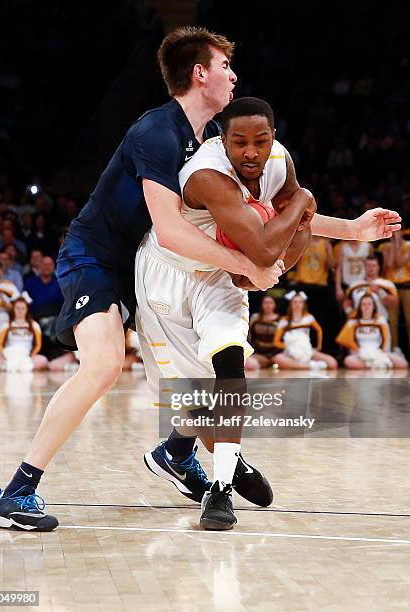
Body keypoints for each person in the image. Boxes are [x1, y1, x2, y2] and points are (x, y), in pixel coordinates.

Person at [0, 27, 284, 532]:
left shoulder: (212, 141)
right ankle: (15, 491)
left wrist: (350, 229)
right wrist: (246, 266)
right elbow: (169, 230)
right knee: (103, 365)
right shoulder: (157, 132)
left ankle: (177, 450)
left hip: (149, 273)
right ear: (200, 74)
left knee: (195, 381)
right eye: (225, 67)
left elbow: (263, 208)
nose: (234, 76)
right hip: (97, 258)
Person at [138, 97, 398, 528]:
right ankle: (190, 454)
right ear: (224, 142)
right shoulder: (207, 174)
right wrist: (302, 203)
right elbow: (267, 243)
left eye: (261, 141)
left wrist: (351, 229)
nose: (251, 152)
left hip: (221, 275)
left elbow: (292, 229)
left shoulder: (279, 162)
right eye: (239, 142)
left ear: (273, 137)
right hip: (170, 275)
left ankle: (220, 489)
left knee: (230, 371)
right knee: (192, 398)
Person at [336, 293, 408, 369]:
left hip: (378, 352)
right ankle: (376, 366)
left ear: (373, 306)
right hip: (360, 353)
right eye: (363, 304)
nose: (366, 306)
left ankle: (374, 365)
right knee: (348, 360)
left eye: (369, 304)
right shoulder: (353, 321)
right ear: (360, 307)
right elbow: (343, 339)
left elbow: (387, 339)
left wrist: (384, 352)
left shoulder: (381, 320)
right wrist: (357, 351)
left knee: (402, 364)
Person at [273, 291, 338, 370]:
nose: (297, 304)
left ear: (304, 304)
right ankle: (309, 366)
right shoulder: (284, 320)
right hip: (290, 352)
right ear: (290, 304)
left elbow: (319, 330)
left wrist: (319, 346)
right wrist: (290, 347)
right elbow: (276, 342)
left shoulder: (309, 317)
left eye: (300, 302)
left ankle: (299, 366)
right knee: (278, 358)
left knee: (332, 363)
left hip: (307, 350)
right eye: (295, 302)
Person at [344, 255, 398, 348]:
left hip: (379, 324)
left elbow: (394, 304)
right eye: (368, 265)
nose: (371, 268)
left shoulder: (386, 284)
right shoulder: (355, 284)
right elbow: (346, 303)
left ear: (378, 267)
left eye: (373, 265)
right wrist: (351, 314)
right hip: (359, 325)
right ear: (364, 267)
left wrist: (380, 292)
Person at [0, 297, 48, 372]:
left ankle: (19, 366)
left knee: (43, 360)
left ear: (27, 310)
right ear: (13, 309)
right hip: (9, 354)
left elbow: (38, 345)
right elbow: (0, 344)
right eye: (17, 308)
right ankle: (9, 365)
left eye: (23, 308)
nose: (20, 310)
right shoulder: (6, 325)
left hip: (26, 355)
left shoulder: (34, 325)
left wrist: (31, 355)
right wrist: (4, 356)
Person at [379, 230, 410, 351]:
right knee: (392, 321)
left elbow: (399, 263)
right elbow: (389, 264)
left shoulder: (408, 246)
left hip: (406, 286)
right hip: (390, 287)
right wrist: (393, 246)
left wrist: (397, 245)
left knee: (409, 319)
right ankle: (393, 350)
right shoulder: (384, 246)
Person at [246, 295, 281, 370]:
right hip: (258, 353)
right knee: (249, 364)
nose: (268, 305)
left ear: (274, 304)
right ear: (262, 304)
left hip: (275, 354)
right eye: (265, 303)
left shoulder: (280, 320)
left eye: (270, 303)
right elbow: (250, 336)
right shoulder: (255, 318)